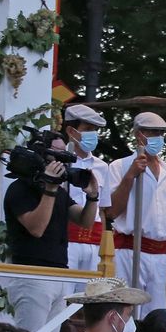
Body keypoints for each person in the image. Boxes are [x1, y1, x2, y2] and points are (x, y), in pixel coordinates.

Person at [3, 130, 101, 332]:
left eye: (63, 154)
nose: (60, 160)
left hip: (59, 274)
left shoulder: (59, 192)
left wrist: (92, 196)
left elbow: (85, 221)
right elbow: (36, 228)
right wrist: (50, 188)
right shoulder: (19, 189)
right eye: (55, 153)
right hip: (32, 275)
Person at [106, 112, 166, 315]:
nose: (158, 137)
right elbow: (111, 211)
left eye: (161, 133)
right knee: (126, 312)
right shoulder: (119, 166)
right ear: (139, 135)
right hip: (129, 249)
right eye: (153, 132)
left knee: (156, 316)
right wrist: (130, 176)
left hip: (159, 255)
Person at [62, 103, 114, 274]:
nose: (93, 135)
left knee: (90, 293)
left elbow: (103, 210)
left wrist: (104, 245)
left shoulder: (102, 166)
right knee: (65, 292)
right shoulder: (60, 162)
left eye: (94, 130)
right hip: (67, 238)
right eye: (87, 129)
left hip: (94, 240)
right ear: (71, 131)